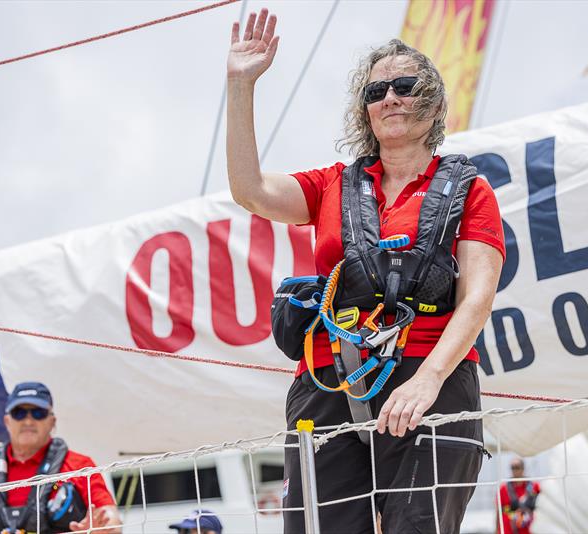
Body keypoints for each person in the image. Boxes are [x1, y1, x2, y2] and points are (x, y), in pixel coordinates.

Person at [226, 8, 504, 533]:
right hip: (329, 383)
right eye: (377, 92)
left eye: (405, 85)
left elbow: (476, 299)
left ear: (434, 100)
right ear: (365, 111)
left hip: (430, 381)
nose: (390, 98)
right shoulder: (332, 184)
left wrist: (426, 381)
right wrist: (241, 86)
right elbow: (250, 189)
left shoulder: (470, 190)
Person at [0, 382, 122, 534]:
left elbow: (111, 519)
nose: (28, 421)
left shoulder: (80, 466)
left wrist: (102, 530)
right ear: (7, 421)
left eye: (38, 413)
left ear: (52, 421)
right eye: (19, 413)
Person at [498, 458, 540, 534]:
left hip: (530, 528)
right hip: (509, 529)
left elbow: (542, 507)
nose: (515, 470)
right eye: (512, 468)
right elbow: (499, 511)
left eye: (517, 467)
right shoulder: (503, 488)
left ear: (523, 468)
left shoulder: (534, 486)